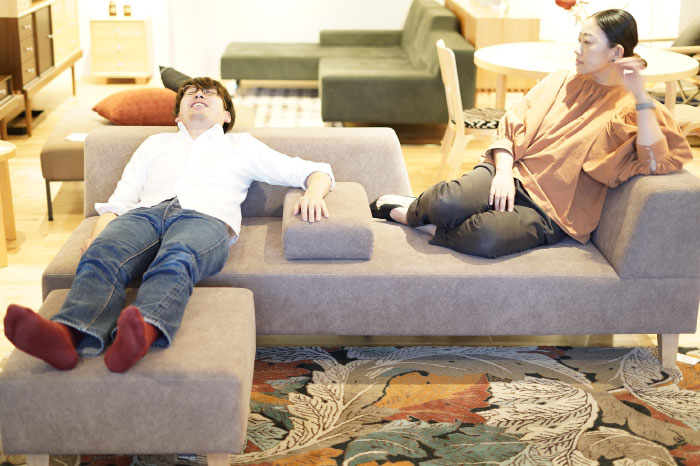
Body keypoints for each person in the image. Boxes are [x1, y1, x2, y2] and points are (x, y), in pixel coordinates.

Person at [4, 77, 334, 372]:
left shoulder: (242, 145)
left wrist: (313, 193)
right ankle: (65, 336)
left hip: (205, 218)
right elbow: (121, 199)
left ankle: (141, 332)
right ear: (177, 115)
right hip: (145, 214)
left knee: (177, 256)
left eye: (209, 93)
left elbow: (314, 170)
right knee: (103, 253)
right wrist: (98, 235)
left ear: (226, 115)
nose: (198, 95)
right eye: (191, 92)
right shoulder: (154, 144)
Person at [372, 9, 692, 259]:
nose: (577, 49)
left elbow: (654, 160)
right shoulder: (561, 80)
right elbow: (512, 124)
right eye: (579, 40)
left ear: (615, 52)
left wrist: (640, 96)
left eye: (587, 42)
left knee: (485, 238)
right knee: (445, 203)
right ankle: (416, 210)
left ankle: (426, 225)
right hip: (512, 172)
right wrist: (502, 173)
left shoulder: (636, 109)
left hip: (551, 213)